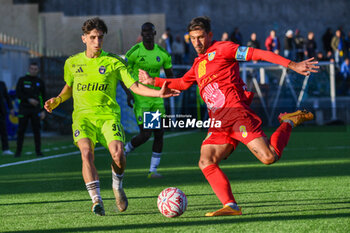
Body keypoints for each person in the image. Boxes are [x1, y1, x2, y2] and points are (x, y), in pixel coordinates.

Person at [139, 16, 318, 217]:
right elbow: (182, 83)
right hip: (217, 123)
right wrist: (152, 80)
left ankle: (288, 121)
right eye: (193, 38)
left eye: (200, 37)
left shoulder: (224, 49)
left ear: (210, 35)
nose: (197, 43)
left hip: (236, 115)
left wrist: (292, 65)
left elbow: (257, 53)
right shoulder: (198, 64)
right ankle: (231, 205)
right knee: (206, 161)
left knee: (269, 157)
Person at [44, 17, 179, 216]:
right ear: (84, 39)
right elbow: (69, 88)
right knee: (86, 153)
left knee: (118, 154)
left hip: (108, 116)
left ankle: (117, 186)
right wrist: (57, 99)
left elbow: (134, 86)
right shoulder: (72, 63)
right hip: (83, 118)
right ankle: (96, 200)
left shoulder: (114, 61)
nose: (97, 42)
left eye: (100, 37)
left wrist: (158, 92)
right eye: (92, 38)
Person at [123, 22, 174, 178]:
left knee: (159, 134)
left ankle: (153, 170)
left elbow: (170, 75)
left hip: (157, 99)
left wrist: (170, 88)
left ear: (154, 33)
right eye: (144, 32)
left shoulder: (162, 54)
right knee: (145, 134)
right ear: (141, 34)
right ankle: (125, 150)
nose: (147, 34)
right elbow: (122, 74)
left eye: (149, 32)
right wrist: (129, 92)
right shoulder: (134, 52)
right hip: (141, 98)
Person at [15, 62, 46, 157]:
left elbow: (44, 96)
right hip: (24, 109)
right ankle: (18, 152)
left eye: (35, 69)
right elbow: (18, 93)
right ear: (29, 69)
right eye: (32, 68)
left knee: (36, 130)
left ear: (38, 70)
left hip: (35, 110)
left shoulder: (40, 81)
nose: (33, 70)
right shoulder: (22, 80)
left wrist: (43, 110)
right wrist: (29, 100)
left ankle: (38, 151)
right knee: (21, 131)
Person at [0, 81, 14, 155]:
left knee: (3, 131)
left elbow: (7, 96)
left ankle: (5, 149)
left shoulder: (2, 84)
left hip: (1, 112)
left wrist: (11, 108)